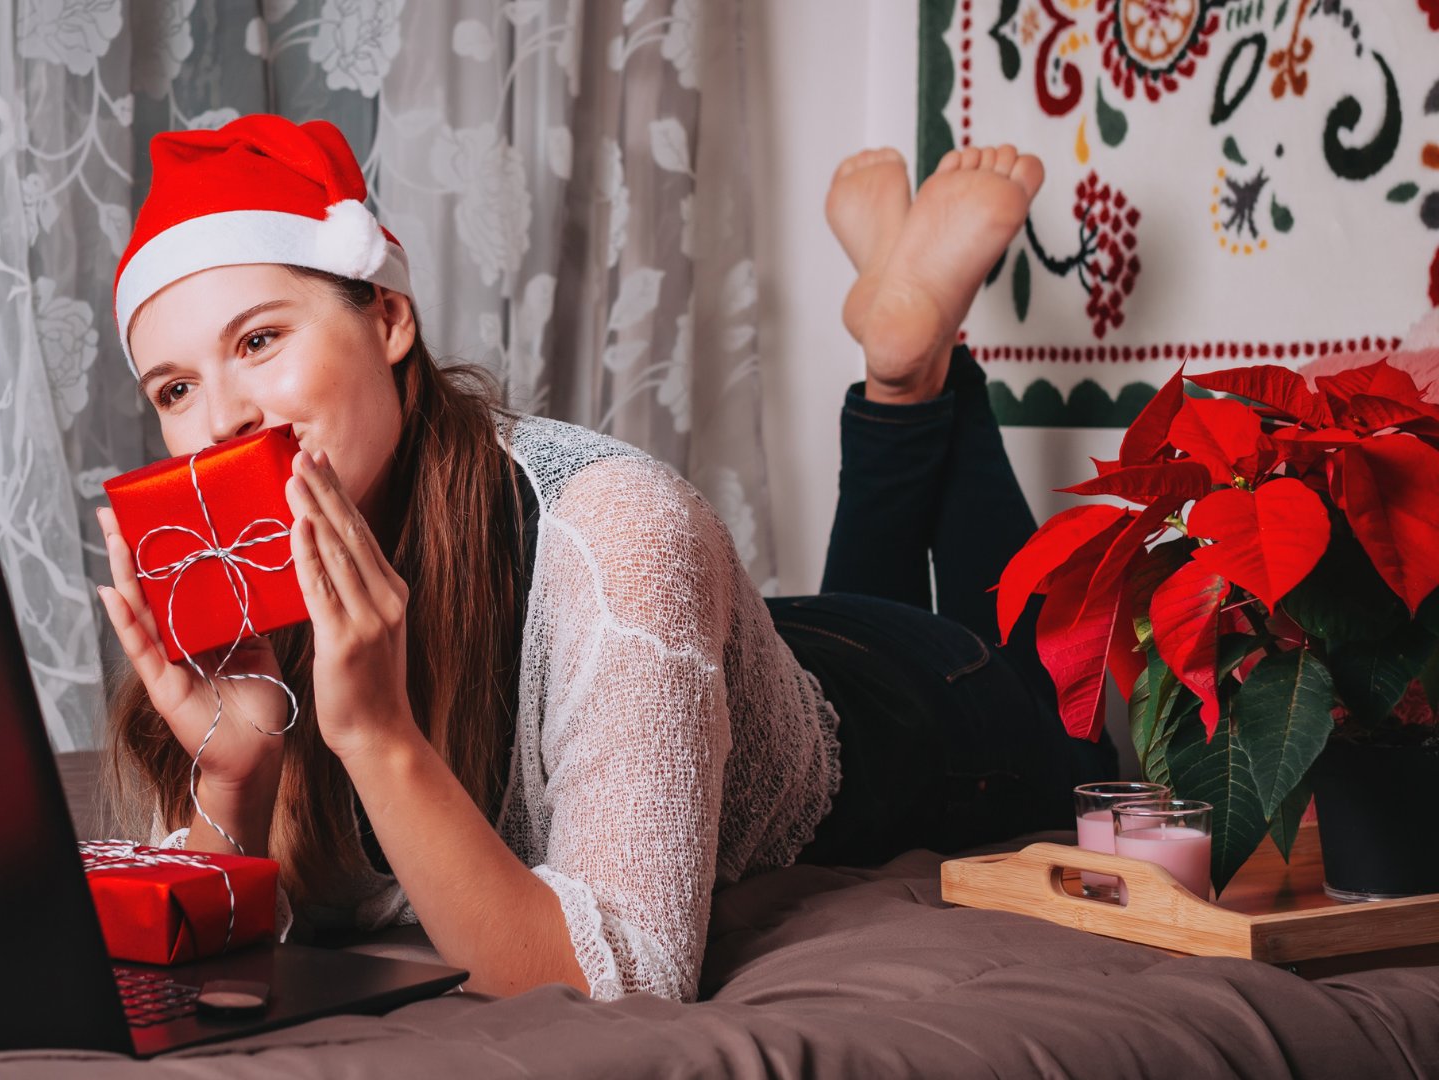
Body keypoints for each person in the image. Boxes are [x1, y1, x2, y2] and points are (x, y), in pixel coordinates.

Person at [93, 117, 1112, 1004]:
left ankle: (918, 373)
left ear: (391, 318)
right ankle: (907, 362)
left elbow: (620, 982)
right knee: (830, 609)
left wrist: (374, 733)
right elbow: (206, 950)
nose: (222, 420)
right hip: (721, 655)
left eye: (260, 341)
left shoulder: (618, 529)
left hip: (925, 713)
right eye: (174, 391)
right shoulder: (226, 578)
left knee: (1060, 706)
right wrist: (234, 781)